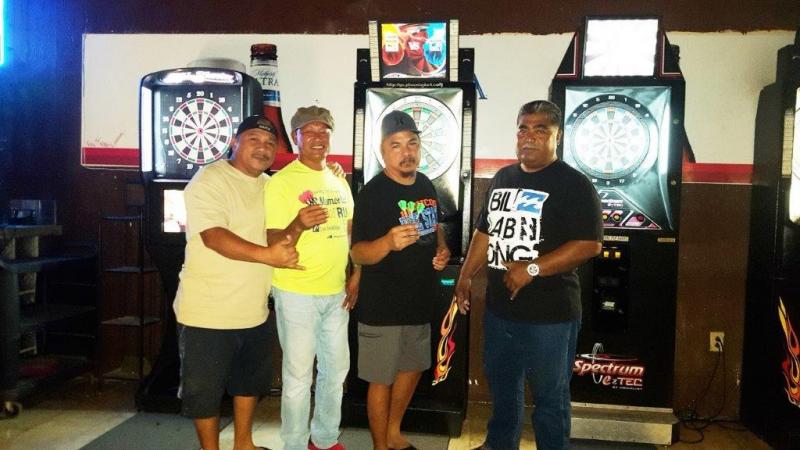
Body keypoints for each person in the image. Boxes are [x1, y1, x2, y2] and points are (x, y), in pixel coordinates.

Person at [454, 100, 603, 450]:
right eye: (523, 129)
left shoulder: (574, 184)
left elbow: (589, 245)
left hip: (550, 316)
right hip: (500, 311)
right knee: (503, 388)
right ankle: (499, 445)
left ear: (557, 136)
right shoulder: (503, 178)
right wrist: (465, 276)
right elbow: (484, 232)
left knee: (550, 398)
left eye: (540, 130)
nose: (529, 137)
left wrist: (532, 269)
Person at [174, 115, 302, 450]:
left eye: (270, 143)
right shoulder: (210, 178)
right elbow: (214, 236)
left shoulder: (270, 185)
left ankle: (243, 443)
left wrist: (302, 221)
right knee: (204, 393)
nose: (263, 148)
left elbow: (279, 234)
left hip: (254, 310)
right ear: (234, 142)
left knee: (249, 383)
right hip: (207, 312)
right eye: (254, 140)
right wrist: (268, 256)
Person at [350, 110, 450, 450]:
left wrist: (442, 249)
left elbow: (433, 227)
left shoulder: (425, 184)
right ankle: (380, 446)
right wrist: (387, 243)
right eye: (396, 145)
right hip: (383, 305)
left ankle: (393, 433)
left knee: (412, 368)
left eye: (412, 143)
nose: (406, 152)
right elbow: (358, 253)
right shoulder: (372, 194)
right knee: (381, 379)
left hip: (419, 300)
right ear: (382, 151)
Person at [264, 105, 357, 450]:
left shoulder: (338, 180)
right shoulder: (281, 182)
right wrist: (299, 223)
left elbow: (351, 234)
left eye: (324, 131)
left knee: (336, 372)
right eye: (310, 131)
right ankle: (294, 443)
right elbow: (272, 241)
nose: (318, 137)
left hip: (337, 293)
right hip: (296, 292)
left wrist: (357, 274)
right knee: (298, 376)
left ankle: (325, 439)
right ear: (296, 137)